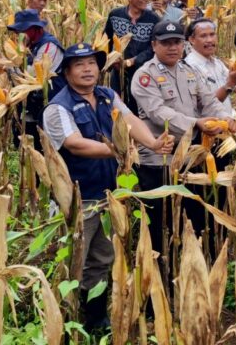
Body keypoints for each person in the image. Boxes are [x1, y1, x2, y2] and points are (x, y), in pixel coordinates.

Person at [42, 42, 173, 332]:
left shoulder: (106, 95)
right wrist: (121, 150)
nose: (88, 69)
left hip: (108, 197)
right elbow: (75, 144)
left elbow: (129, 120)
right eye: (80, 65)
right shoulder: (57, 108)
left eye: (92, 63)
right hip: (76, 200)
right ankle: (62, 324)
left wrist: (151, 142)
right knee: (72, 263)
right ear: (66, 72)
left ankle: (95, 321)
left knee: (102, 259)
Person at [129, 20, 236, 251]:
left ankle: (194, 259)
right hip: (159, 159)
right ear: (154, 45)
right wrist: (196, 123)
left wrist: (224, 117)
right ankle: (161, 267)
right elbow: (158, 112)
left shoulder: (188, 71)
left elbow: (207, 101)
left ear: (183, 45)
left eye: (176, 42)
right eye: (166, 43)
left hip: (189, 156)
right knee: (161, 219)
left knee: (192, 213)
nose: (172, 48)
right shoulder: (144, 76)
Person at [7, 8, 66, 149]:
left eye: (21, 30)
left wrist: (10, 67)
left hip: (47, 103)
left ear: (34, 29)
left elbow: (31, 75)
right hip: (30, 106)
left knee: (44, 147)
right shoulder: (29, 45)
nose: (17, 34)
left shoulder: (49, 46)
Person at [184, 18, 236, 109]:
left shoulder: (217, 63)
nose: (210, 40)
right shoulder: (189, 67)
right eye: (203, 36)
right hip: (209, 122)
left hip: (226, 120)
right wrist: (230, 84)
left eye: (212, 34)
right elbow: (202, 104)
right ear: (192, 40)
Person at [104, 0, 160, 99]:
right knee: (118, 102)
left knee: (138, 104)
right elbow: (106, 39)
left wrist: (132, 61)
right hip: (118, 70)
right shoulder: (115, 15)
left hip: (143, 70)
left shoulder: (153, 19)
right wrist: (109, 61)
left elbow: (154, 46)